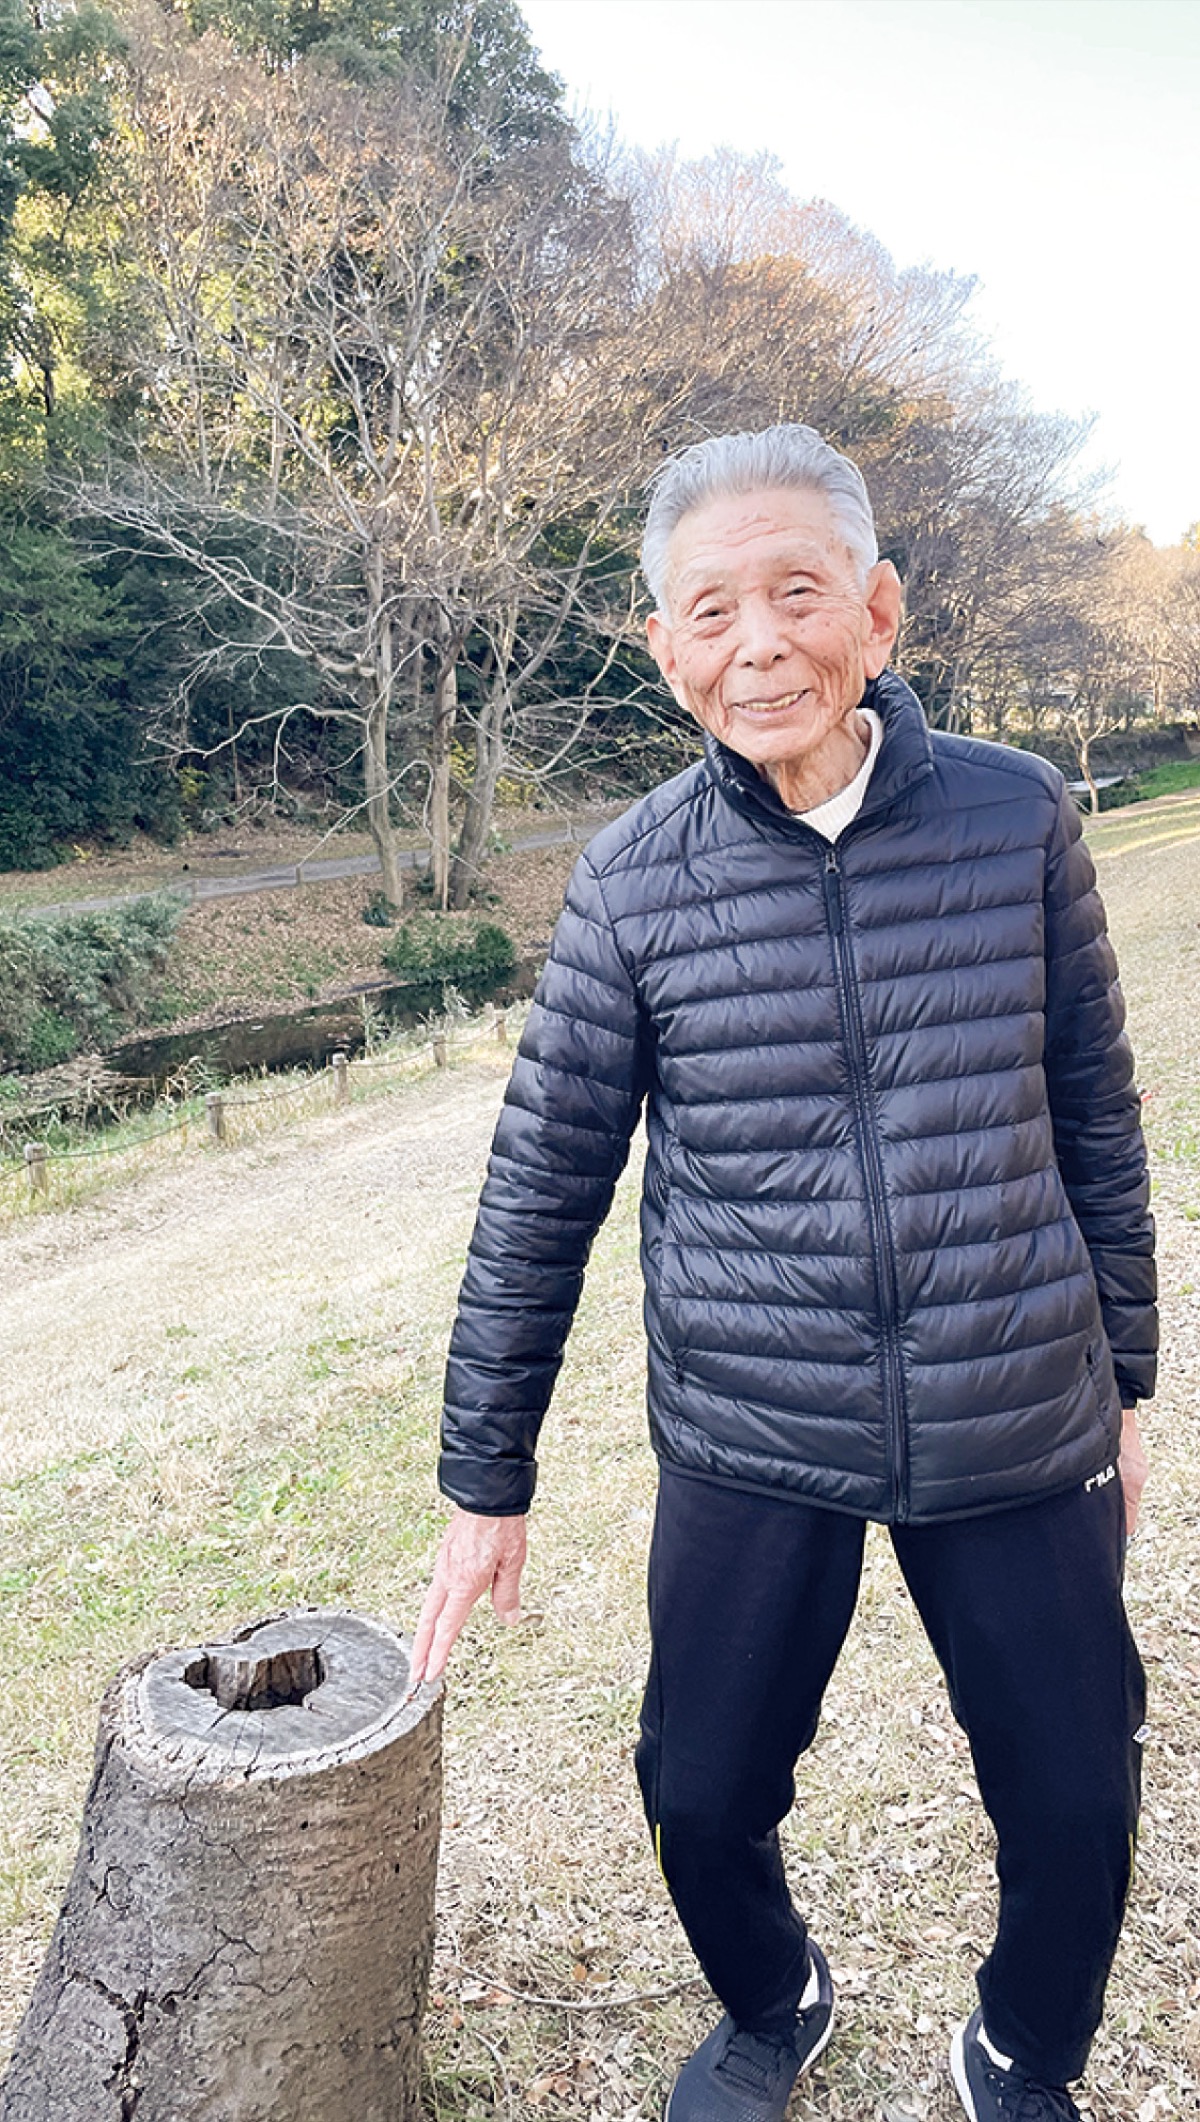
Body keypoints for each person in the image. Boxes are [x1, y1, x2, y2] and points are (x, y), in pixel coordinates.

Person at [410, 424, 1157, 2122]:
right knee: (698, 1778)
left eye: (798, 592)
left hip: (1012, 1399)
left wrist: (1127, 1373)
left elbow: (1095, 1112)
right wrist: (485, 1477)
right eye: (712, 610)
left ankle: (1026, 2045)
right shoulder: (631, 882)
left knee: (1073, 1787)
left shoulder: (1017, 815)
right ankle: (772, 1995)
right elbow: (543, 1184)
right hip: (754, 1418)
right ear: (666, 648)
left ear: (879, 613)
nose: (762, 644)